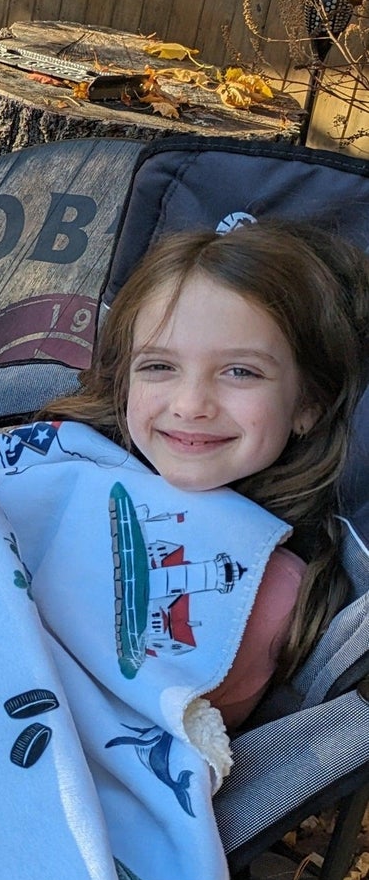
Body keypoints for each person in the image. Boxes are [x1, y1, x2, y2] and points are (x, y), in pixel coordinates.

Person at [43, 220, 369, 727]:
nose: (191, 404)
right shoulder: (56, 459)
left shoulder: (265, 592)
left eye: (241, 372)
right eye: (158, 367)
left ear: (308, 403)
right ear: (124, 380)